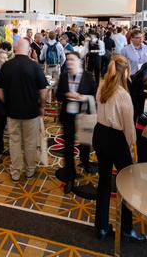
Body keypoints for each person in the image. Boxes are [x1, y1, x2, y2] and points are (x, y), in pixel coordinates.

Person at [92, 56, 145, 243]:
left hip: (99, 133)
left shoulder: (102, 86)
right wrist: (132, 145)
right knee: (126, 184)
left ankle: (101, 227)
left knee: (104, 181)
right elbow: (128, 127)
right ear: (126, 72)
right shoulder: (123, 95)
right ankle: (126, 229)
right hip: (116, 139)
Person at [0, 40, 48, 181]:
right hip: (31, 112)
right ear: (28, 50)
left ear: (15, 49)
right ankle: (30, 170)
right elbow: (43, 91)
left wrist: (6, 101)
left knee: (14, 142)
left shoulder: (7, 66)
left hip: (12, 112)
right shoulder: (34, 66)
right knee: (30, 142)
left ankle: (16, 172)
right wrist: (41, 106)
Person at [55, 52, 96, 193]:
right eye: (68, 60)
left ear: (80, 62)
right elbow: (58, 95)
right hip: (68, 116)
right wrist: (67, 94)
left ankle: (85, 162)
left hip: (83, 115)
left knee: (85, 142)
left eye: (72, 60)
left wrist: (84, 97)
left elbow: (95, 94)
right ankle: (70, 177)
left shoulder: (88, 76)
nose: (69, 62)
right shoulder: (64, 76)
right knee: (68, 147)